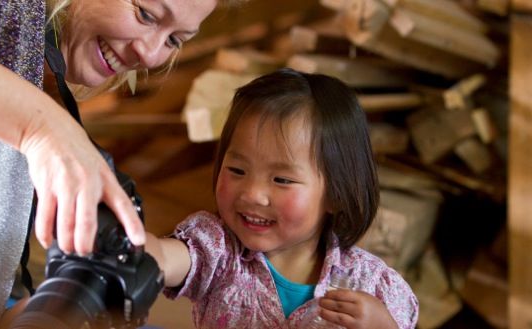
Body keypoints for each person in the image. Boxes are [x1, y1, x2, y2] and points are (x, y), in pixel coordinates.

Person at [0, 0, 239, 327]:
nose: (149, 55)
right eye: (146, 14)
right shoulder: (1, 13)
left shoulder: (25, 66)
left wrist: (61, 307)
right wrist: (42, 127)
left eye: (174, 40)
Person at [145, 68, 419, 329]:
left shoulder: (372, 284)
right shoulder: (217, 251)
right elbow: (165, 258)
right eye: (237, 170)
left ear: (337, 194)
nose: (252, 194)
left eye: (282, 180)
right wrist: (137, 246)